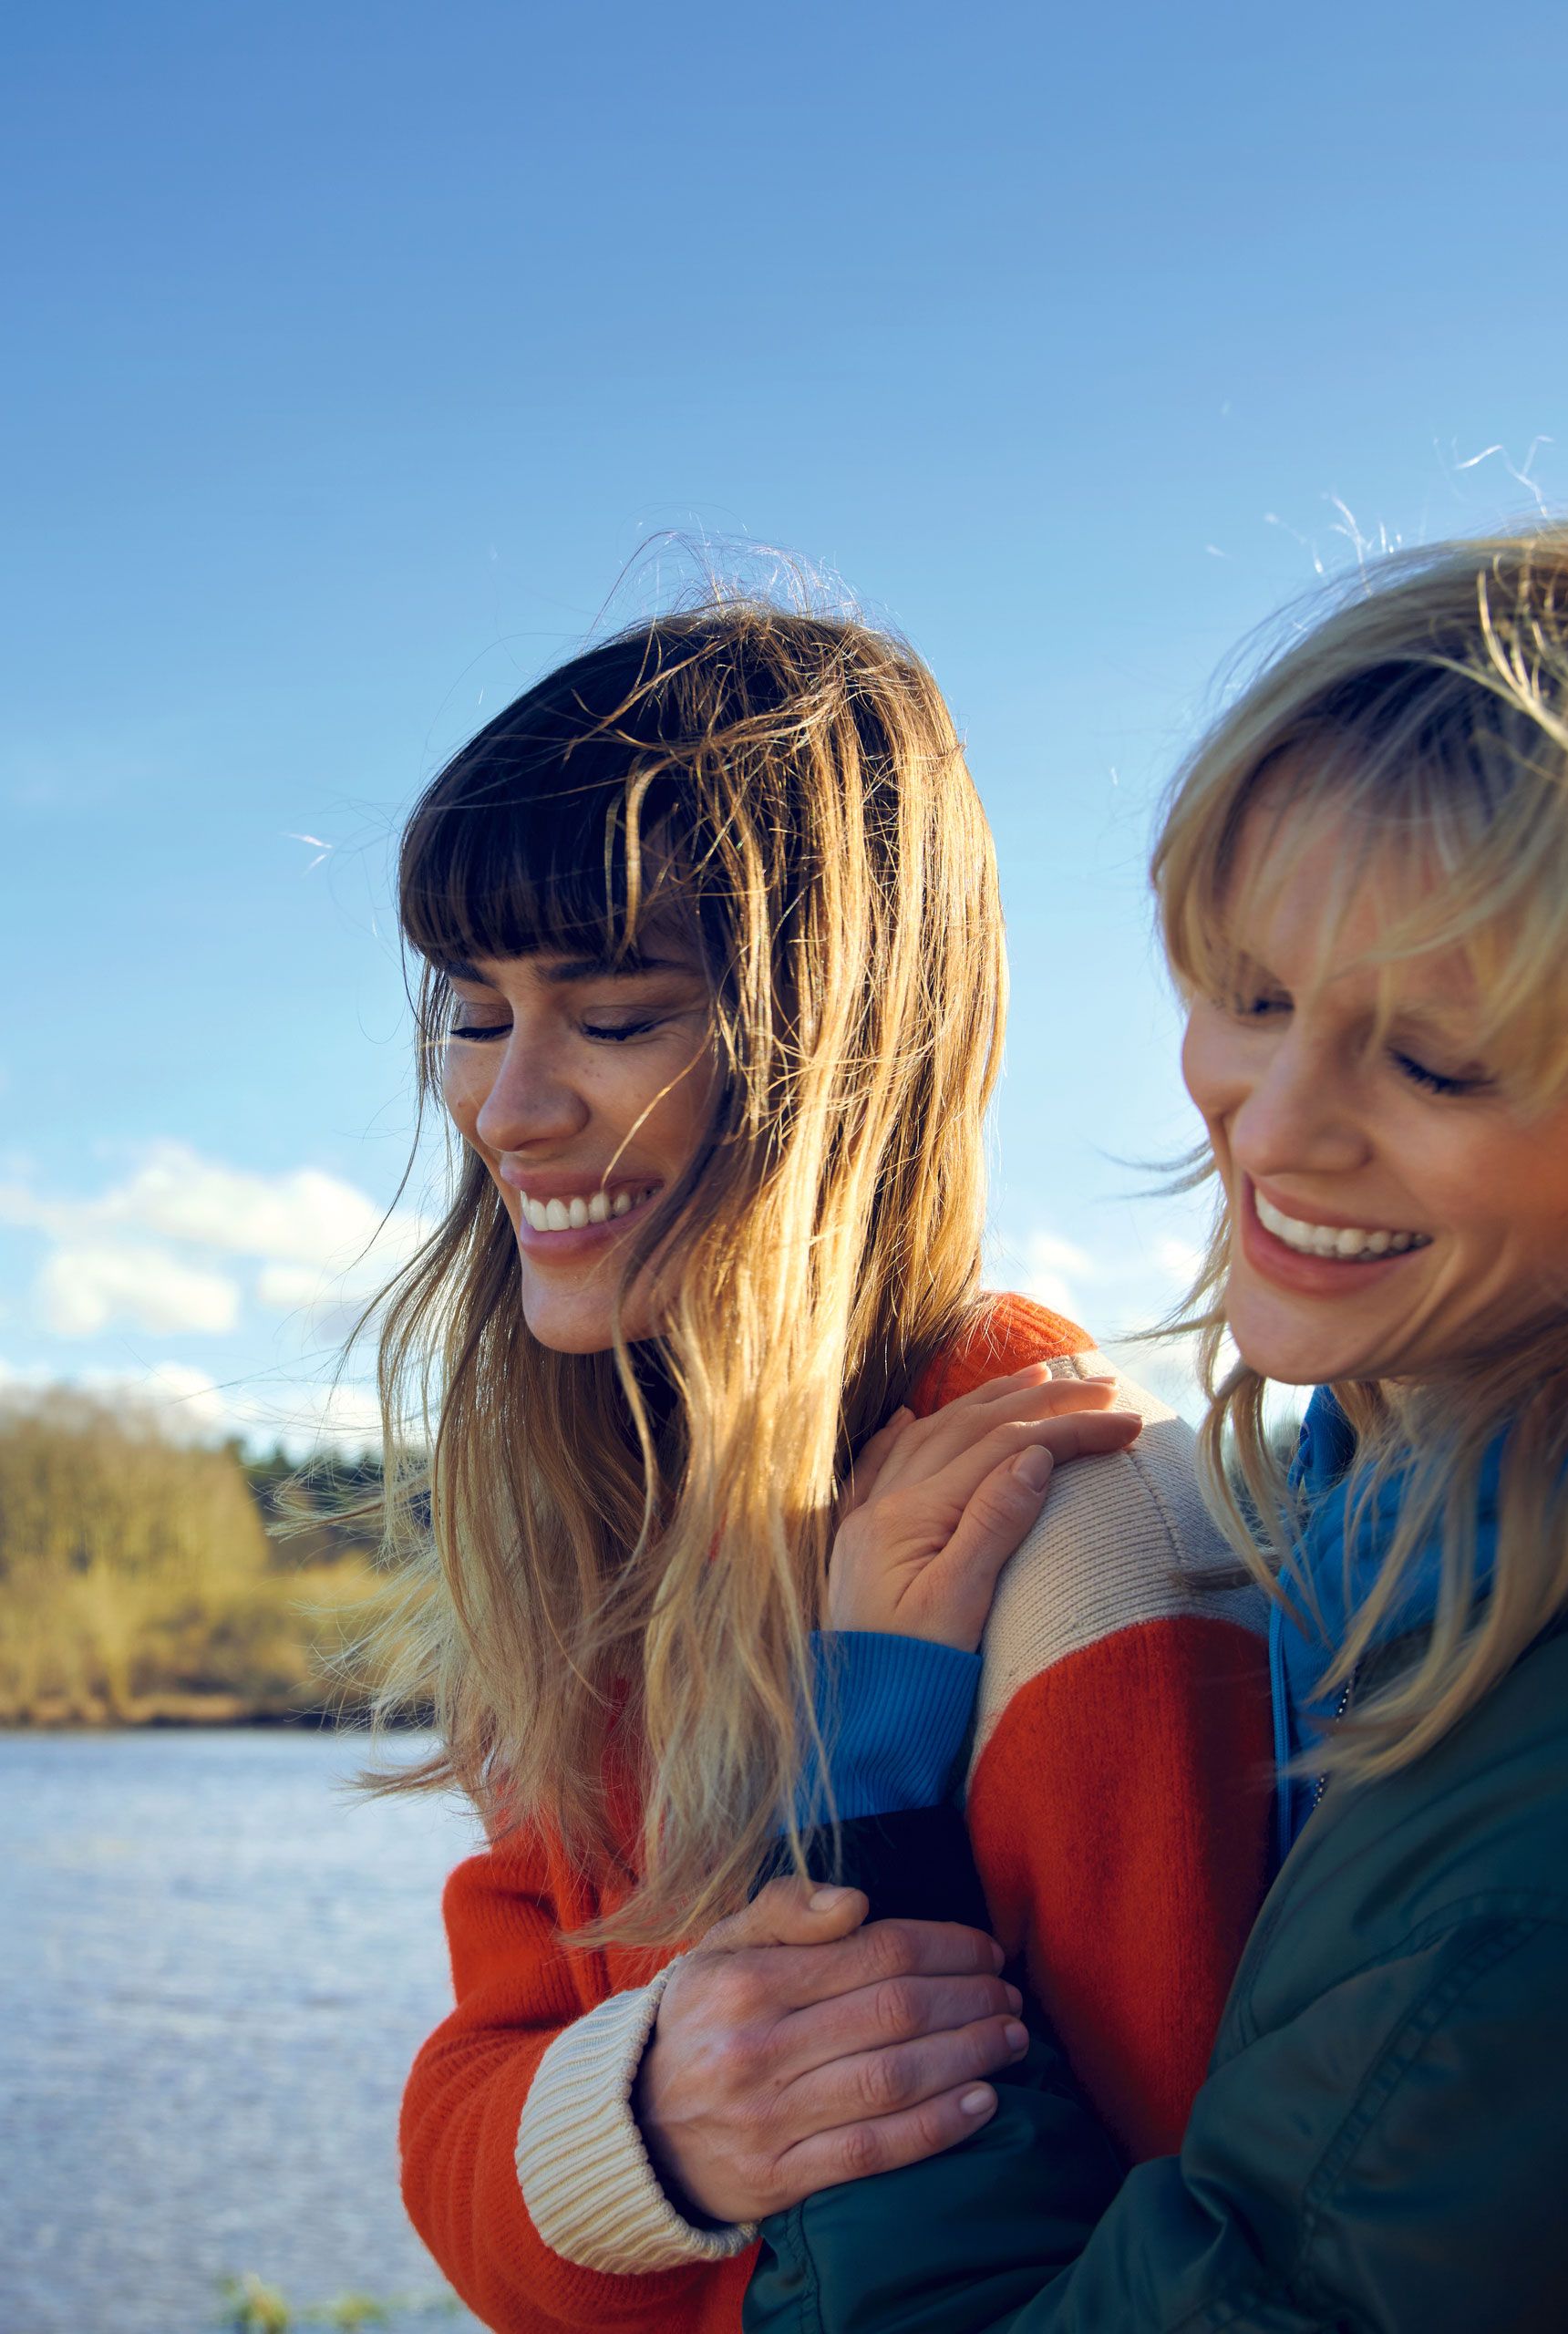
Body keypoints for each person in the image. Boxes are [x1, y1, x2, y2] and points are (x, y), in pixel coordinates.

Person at [743, 496, 1568, 2332]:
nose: (1274, 1123)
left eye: (1437, 1055)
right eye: (1254, 993)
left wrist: (870, 1803)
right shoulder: (1393, 1535)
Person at [367, 601, 1274, 2334]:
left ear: (846, 1068)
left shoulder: (1078, 1546)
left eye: (617, 1014)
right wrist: (650, 2125)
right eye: (476, 1015)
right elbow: (460, 2113)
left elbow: (1149, 2276)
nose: (505, 1108)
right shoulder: (606, 1508)